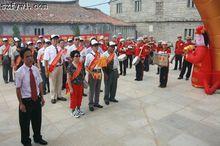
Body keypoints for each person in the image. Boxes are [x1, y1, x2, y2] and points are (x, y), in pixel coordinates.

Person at [15, 48, 47, 146]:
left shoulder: (35, 69)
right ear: (22, 58)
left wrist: (41, 97)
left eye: (31, 56)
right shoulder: (19, 72)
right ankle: (26, 141)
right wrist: (21, 104)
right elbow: (18, 89)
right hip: (26, 101)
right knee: (25, 124)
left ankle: (37, 138)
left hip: (36, 99)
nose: (30, 58)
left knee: (37, 121)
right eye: (27, 57)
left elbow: (40, 83)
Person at [44, 34, 67, 104]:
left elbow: (62, 59)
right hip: (52, 68)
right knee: (52, 83)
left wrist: (64, 68)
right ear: (51, 40)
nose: (55, 40)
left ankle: (59, 95)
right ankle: (53, 97)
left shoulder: (60, 48)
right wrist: (46, 70)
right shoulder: (48, 49)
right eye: (54, 39)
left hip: (60, 67)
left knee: (59, 82)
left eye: (56, 39)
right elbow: (45, 60)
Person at [85, 39, 103, 111]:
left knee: (98, 89)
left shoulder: (100, 54)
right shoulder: (89, 55)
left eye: (97, 46)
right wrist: (91, 73)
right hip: (92, 73)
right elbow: (86, 66)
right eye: (95, 46)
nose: (96, 47)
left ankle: (96, 102)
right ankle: (91, 104)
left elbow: (102, 64)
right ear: (91, 47)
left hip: (99, 72)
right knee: (92, 90)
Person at [67, 50, 85, 118]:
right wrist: (70, 88)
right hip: (73, 85)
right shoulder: (70, 66)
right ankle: (73, 111)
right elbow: (68, 78)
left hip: (80, 84)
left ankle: (78, 109)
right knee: (73, 98)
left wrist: (83, 82)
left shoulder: (81, 64)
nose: (78, 57)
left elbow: (83, 74)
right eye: (76, 56)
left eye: (79, 56)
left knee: (79, 97)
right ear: (72, 57)